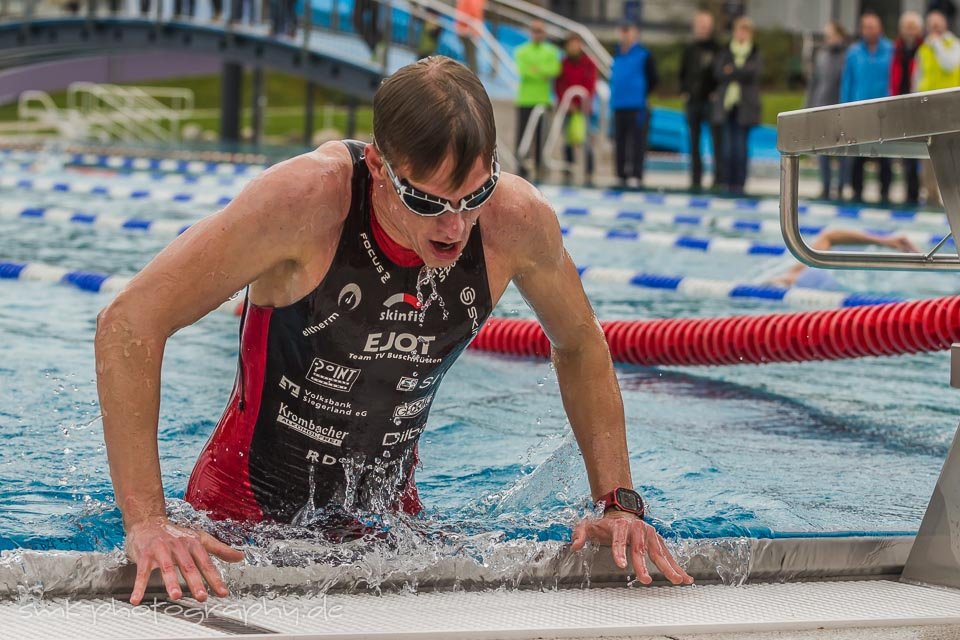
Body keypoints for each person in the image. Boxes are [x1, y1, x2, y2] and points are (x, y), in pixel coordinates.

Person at [95, 56, 694, 606]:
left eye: (474, 195)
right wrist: (147, 520)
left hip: (389, 525)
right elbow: (130, 321)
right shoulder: (306, 202)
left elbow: (580, 342)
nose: (456, 227)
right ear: (380, 166)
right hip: (239, 518)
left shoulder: (516, 222)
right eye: (430, 203)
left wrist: (618, 503)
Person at [841, 12, 894, 204]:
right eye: (866, 27)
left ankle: (885, 193)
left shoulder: (891, 50)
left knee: (885, 154)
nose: (869, 30)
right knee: (858, 154)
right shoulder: (853, 52)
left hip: (884, 110)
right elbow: (847, 81)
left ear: (880, 28)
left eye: (872, 26)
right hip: (859, 109)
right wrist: (844, 107)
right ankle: (856, 192)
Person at [770, 229, 919, 289]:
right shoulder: (803, 268)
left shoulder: (804, 267)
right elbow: (829, 237)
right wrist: (884, 241)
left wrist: (884, 242)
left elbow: (830, 236)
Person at [711, 16, 761, 195]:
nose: (741, 34)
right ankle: (726, 181)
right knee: (727, 147)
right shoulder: (726, 51)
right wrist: (739, 72)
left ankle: (740, 183)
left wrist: (732, 71)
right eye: (739, 30)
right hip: (727, 106)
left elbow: (752, 73)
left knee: (740, 147)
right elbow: (718, 73)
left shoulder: (754, 51)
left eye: (745, 30)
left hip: (745, 107)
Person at [916, 10, 960, 206]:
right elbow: (918, 77)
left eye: (937, 25)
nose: (934, 29)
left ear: (945, 26)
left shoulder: (954, 45)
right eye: (931, 25)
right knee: (929, 154)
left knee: (952, 153)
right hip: (926, 109)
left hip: (950, 108)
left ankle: (953, 197)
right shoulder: (924, 48)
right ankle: (931, 196)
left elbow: (949, 65)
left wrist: (937, 43)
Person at [610, 21, 658, 189]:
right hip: (618, 104)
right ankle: (620, 174)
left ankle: (636, 174)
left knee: (637, 141)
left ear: (635, 33)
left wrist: (643, 94)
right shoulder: (617, 54)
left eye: (628, 31)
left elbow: (653, 78)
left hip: (637, 105)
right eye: (622, 31)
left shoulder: (644, 54)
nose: (625, 35)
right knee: (620, 140)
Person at [679, 10, 722, 192]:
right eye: (699, 26)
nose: (702, 29)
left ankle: (718, 177)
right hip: (693, 101)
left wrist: (716, 92)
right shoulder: (689, 50)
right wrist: (684, 91)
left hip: (710, 101)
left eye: (705, 26)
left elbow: (720, 74)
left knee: (715, 142)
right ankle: (695, 178)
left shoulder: (717, 49)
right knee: (693, 142)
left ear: (710, 28)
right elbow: (682, 73)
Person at [806, 21, 849, 201]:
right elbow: (814, 83)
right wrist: (809, 106)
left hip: (841, 107)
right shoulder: (821, 55)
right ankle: (825, 184)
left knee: (843, 150)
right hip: (821, 106)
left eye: (830, 35)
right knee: (822, 149)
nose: (827, 39)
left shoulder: (848, 55)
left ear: (839, 35)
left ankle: (840, 186)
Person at [514, 20, 561, 182]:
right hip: (525, 99)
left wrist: (535, 69)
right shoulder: (521, 51)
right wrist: (541, 71)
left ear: (544, 33)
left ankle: (540, 167)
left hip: (543, 100)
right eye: (534, 30)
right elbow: (523, 70)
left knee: (541, 137)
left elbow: (554, 70)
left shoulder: (551, 51)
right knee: (522, 136)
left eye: (540, 31)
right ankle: (521, 168)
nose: (537, 34)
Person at [889, 11, 924, 206]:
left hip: (919, 105)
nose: (909, 30)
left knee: (921, 153)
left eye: (913, 26)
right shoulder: (896, 49)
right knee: (905, 152)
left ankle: (917, 192)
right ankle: (909, 193)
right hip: (900, 104)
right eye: (906, 26)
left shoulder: (925, 48)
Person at [555, 32, 598, 186]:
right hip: (568, 108)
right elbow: (559, 85)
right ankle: (569, 169)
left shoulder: (589, 63)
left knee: (587, 141)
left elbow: (590, 85)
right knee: (567, 140)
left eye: (576, 44)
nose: (573, 47)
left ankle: (589, 172)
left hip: (584, 109)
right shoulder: (563, 63)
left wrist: (580, 104)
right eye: (571, 44)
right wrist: (567, 103)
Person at [455, 0, 486, 73]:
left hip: (469, 31)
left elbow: (473, 12)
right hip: (467, 30)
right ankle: (471, 75)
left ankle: (472, 76)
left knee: (471, 57)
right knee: (469, 57)